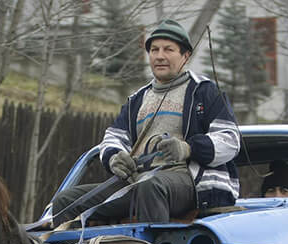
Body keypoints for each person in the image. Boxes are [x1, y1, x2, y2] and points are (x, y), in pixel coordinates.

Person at [50, 19, 240, 225]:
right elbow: (113, 137)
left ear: (186, 56)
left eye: (168, 49)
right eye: (154, 50)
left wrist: (188, 148)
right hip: (138, 183)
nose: (160, 56)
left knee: (150, 186)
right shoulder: (136, 100)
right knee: (65, 201)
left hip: (190, 184)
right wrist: (114, 157)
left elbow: (230, 140)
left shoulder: (205, 91)